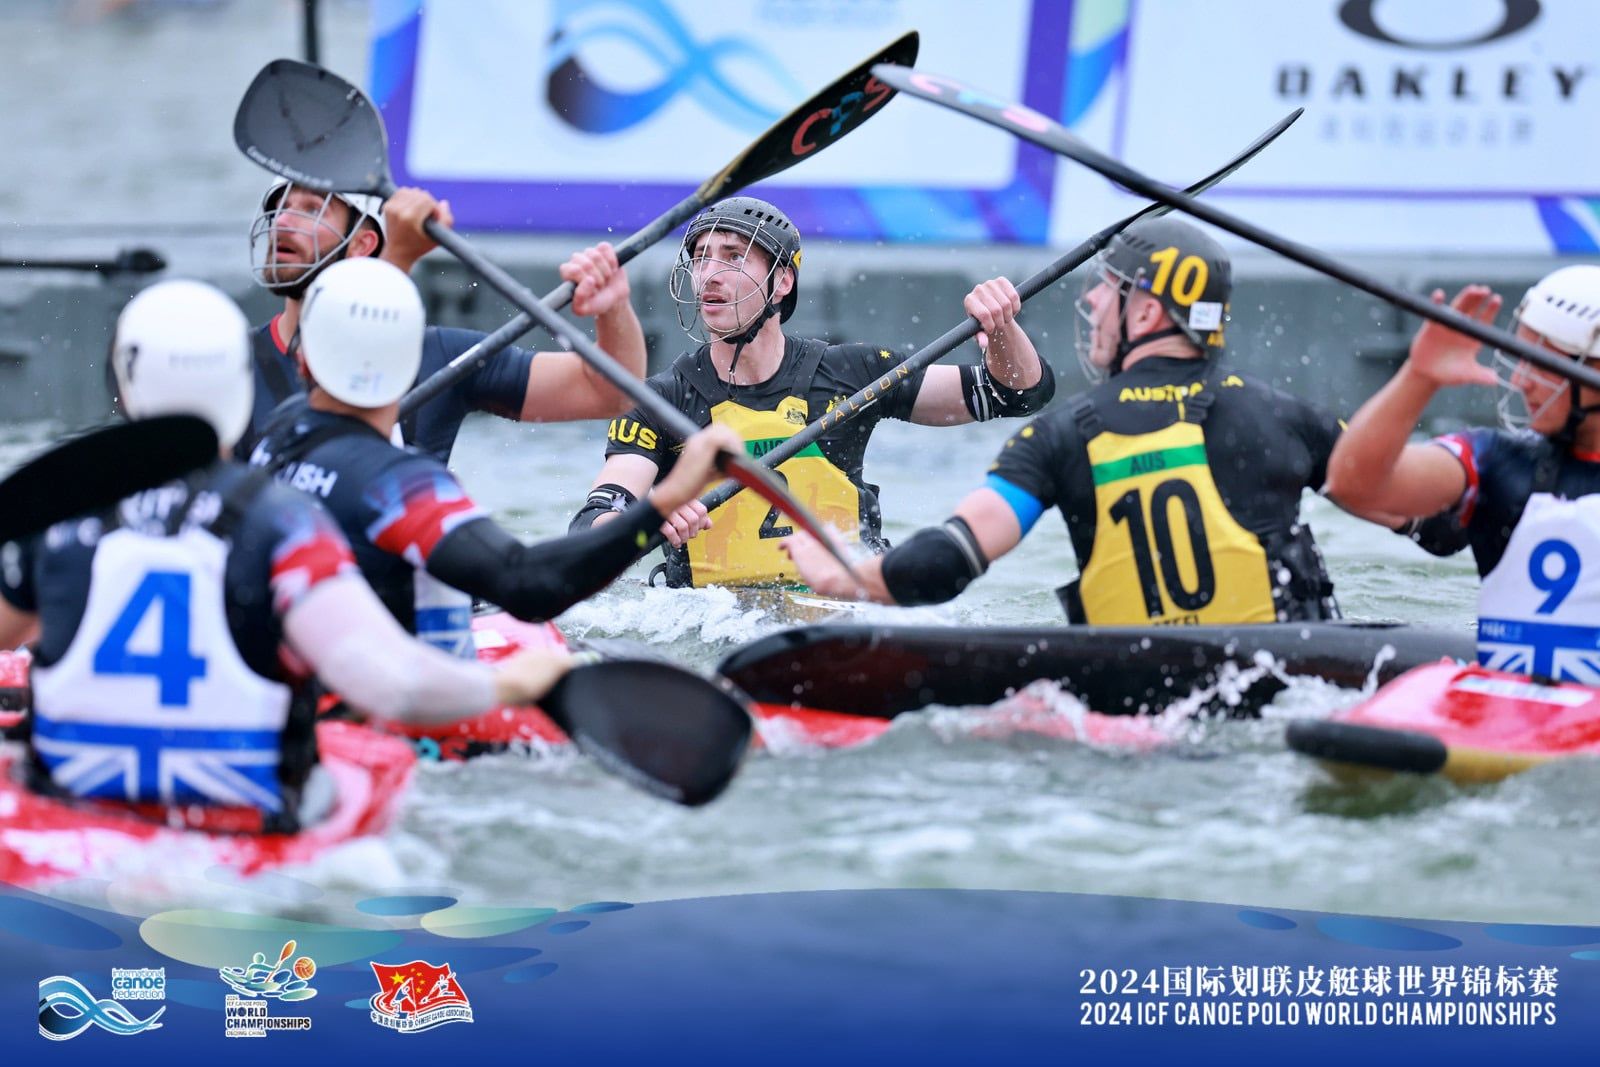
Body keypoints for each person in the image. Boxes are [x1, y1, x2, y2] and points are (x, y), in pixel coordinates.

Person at [0, 281, 571, 832]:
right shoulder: (284, 522)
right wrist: (514, 685)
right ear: (241, 385)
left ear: (123, 381)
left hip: (74, 806)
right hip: (242, 821)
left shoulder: (56, 515)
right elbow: (394, 685)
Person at [781, 217, 1354, 624]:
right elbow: (1432, 520)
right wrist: (1422, 375)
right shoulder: (1291, 418)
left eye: (1107, 294)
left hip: (1138, 699)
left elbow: (951, 558)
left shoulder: (1063, 435)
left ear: (1149, 312)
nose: (1093, 307)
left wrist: (847, 581)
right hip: (1289, 674)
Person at [250, 257, 740, 654]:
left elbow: (611, 390)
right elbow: (527, 583)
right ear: (412, 365)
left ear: (301, 357)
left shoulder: (278, 432)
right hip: (372, 698)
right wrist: (667, 498)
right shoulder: (399, 486)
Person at [571, 195, 1056, 589]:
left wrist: (1001, 329)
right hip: (708, 622)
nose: (709, 274)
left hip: (843, 610)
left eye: (734, 257)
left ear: (782, 281)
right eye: (701, 258)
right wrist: (648, 519)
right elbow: (592, 525)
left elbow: (1014, 394)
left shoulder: (854, 373)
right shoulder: (662, 402)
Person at [1326, 266, 1600, 681]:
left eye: (1541, 363)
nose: (1521, 380)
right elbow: (1354, 486)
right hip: (1509, 719)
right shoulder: (1498, 460)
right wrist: (1419, 377)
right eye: (1520, 358)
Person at [240, 181, 644, 459]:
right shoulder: (231, 365)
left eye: (311, 209)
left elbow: (610, 392)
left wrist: (614, 308)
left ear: (363, 244)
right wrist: (398, 256)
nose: (283, 222)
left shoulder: (443, 356)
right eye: (280, 209)